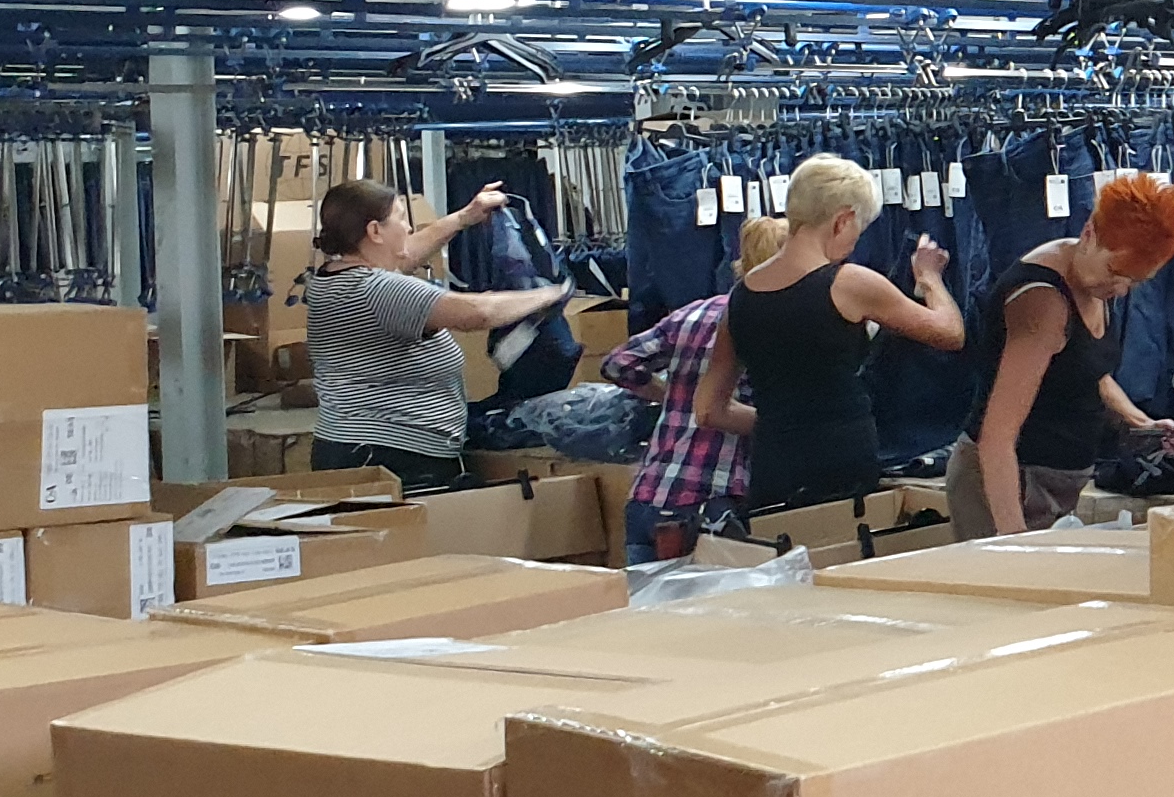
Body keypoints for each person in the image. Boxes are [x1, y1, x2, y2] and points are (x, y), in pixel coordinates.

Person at [697, 155, 965, 517]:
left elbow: (709, 410)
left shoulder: (741, 295)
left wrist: (784, 424)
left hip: (773, 462)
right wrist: (930, 278)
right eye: (859, 229)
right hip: (843, 461)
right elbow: (950, 333)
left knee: (784, 548)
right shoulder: (848, 283)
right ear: (844, 220)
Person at [304, 179, 571, 493]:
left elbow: (406, 255)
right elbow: (476, 314)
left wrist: (464, 218)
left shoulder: (331, 277)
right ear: (375, 231)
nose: (408, 227)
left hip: (356, 449)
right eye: (401, 218)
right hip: (393, 457)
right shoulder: (376, 289)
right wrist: (550, 293)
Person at [958, 174, 1174, 539]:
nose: (1121, 290)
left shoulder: (1091, 280)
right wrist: (1013, 540)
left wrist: (1140, 421)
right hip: (1011, 485)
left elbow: (1087, 369)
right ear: (1089, 233)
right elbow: (997, 437)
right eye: (1115, 272)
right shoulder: (1043, 302)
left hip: (1052, 482)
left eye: (1136, 281)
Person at [597, 217, 788, 564]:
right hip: (712, 502)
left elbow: (618, 363)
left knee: (646, 599)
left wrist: (670, 396)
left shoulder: (694, 313)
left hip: (650, 494)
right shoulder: (777, 325)